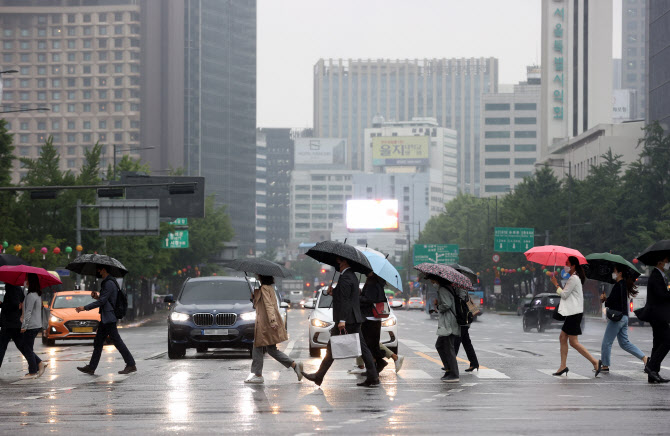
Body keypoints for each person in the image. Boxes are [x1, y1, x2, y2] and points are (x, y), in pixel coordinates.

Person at [302, 257, 379, 387]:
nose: (336, 263)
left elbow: (346, 301)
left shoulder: (346, 278)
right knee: (361, 348)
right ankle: (373, 376)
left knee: (333, 348)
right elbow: (345, 296)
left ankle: (318, 376)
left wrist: (342, 320)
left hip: (347, 320)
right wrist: (333, 292)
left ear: (344, 262)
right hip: (352, 318)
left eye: (338, 260)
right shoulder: (350, 276)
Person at [75, 264, 136, 375]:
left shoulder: (109, 283)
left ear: (103, 269)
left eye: (99, 269)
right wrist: (97, 297)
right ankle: (91, 367)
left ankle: (131, 364)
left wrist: (84, 308)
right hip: (106, 318)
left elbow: (103, 302)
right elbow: (105, 300)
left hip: (109, 318)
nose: (98, 271)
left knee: (117, 342)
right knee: (98, 342)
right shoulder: (108, 282)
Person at [245, 274, 303, 384]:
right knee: (271, 350)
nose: (256, 276)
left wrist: (272, 321)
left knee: (257, 346)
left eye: (258, 275)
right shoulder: (268, 288)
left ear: (262, 276)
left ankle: (258, 375)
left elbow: (269, 305)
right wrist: (255, 297)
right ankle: (295, 366)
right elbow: (261, 306)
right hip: (266, 323)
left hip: (265, 324)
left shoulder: (265, 288)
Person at [550, 256, 601, 377]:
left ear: (573, 265)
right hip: (572, 313)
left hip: (574, 313)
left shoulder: (574, 278)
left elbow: (564, 295)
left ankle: (595, 362)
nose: (565, 266)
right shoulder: (574, 278)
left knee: (573, 342)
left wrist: (556, 284)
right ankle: (563, 366)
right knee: (563, 337)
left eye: (567, 263)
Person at [599, 267, 647, 373]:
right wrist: (607, 300)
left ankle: (605, 365)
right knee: (624, 343)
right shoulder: (624, 284)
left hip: (617, 318)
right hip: (624, 317)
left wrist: (604, 299)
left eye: (614, 271)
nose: (613, 273)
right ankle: (645, 358)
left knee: (606, 342)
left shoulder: (618, 285)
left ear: (620, 273)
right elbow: (617, 301)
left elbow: (613, 303)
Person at [642, 256, 670, 384]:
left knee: (658, 343)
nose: (667, 263)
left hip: (657, 314)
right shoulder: (656, 276)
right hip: (657, 315)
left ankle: (653, 374)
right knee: (667, 341)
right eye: (666, 261)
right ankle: (651, 366)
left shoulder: (659, 275)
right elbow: (661, 295)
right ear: (659, 262)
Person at [431, 276, 460, 383]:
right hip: (449, 322)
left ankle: (454, 373)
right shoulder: (448, 288)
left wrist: (438, 306)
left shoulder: (443, 289)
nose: (432, 282)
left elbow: (446, 305)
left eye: (432, 280)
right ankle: (448, 370)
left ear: (438, 280)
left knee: (448, 348)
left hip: (448, 322)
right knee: (440, 345)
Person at [0, 283, 32, 374]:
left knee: (2, 346)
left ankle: (37, 363)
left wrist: (4, 305)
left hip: (9, 323)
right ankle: (37, 363)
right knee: (22, 346)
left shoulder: (11, 287)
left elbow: (15, 304)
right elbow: (19, 302)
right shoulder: (18, 288)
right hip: (14, 323)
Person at [359, 272, 387, 372]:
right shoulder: (378, 282)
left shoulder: (371, 283)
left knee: (367, 345)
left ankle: (374, 368)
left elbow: (369, 299)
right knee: (373, 344)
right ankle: (377, 365)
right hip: (375, 318)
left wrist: (358, 297)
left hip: (369, 317)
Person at [20, 273, 47, 378]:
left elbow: (29, 312)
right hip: (36, 325)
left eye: (26, 279)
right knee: (28, 348)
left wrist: (24, 326)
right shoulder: (36, 294)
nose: (25, 281)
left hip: (31, 326)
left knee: (27, 349)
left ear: (30, 281)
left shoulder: (31, 295)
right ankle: (38, 365)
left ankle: (33, 371)